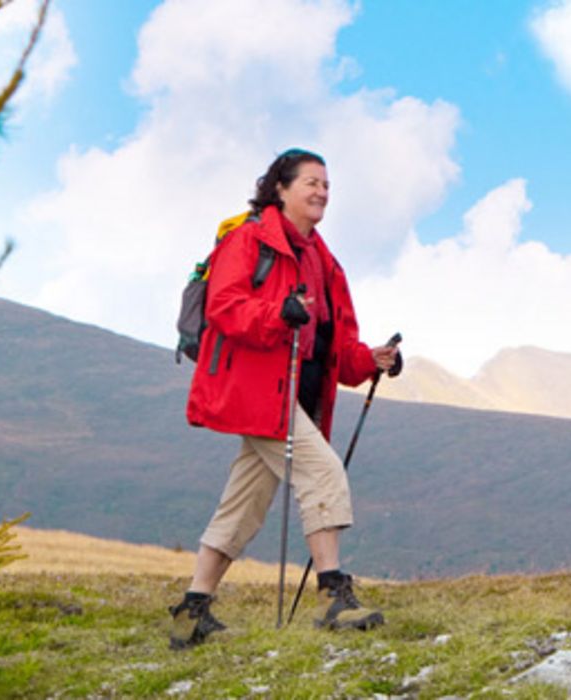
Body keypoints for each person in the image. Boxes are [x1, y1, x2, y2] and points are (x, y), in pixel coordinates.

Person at [168, 148, 400, 648]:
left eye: (326, 185)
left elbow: (335, 344)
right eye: (310, 183)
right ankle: (333, 599)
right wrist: (280, 311)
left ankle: (192, 609)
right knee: (323, 473)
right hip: (255, 393)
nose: (321, 192)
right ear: (280, 188)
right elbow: (225, 307)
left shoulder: (323, 259)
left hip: (291, 396)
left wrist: (372, 360)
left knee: (244, 501)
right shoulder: (250, 240)